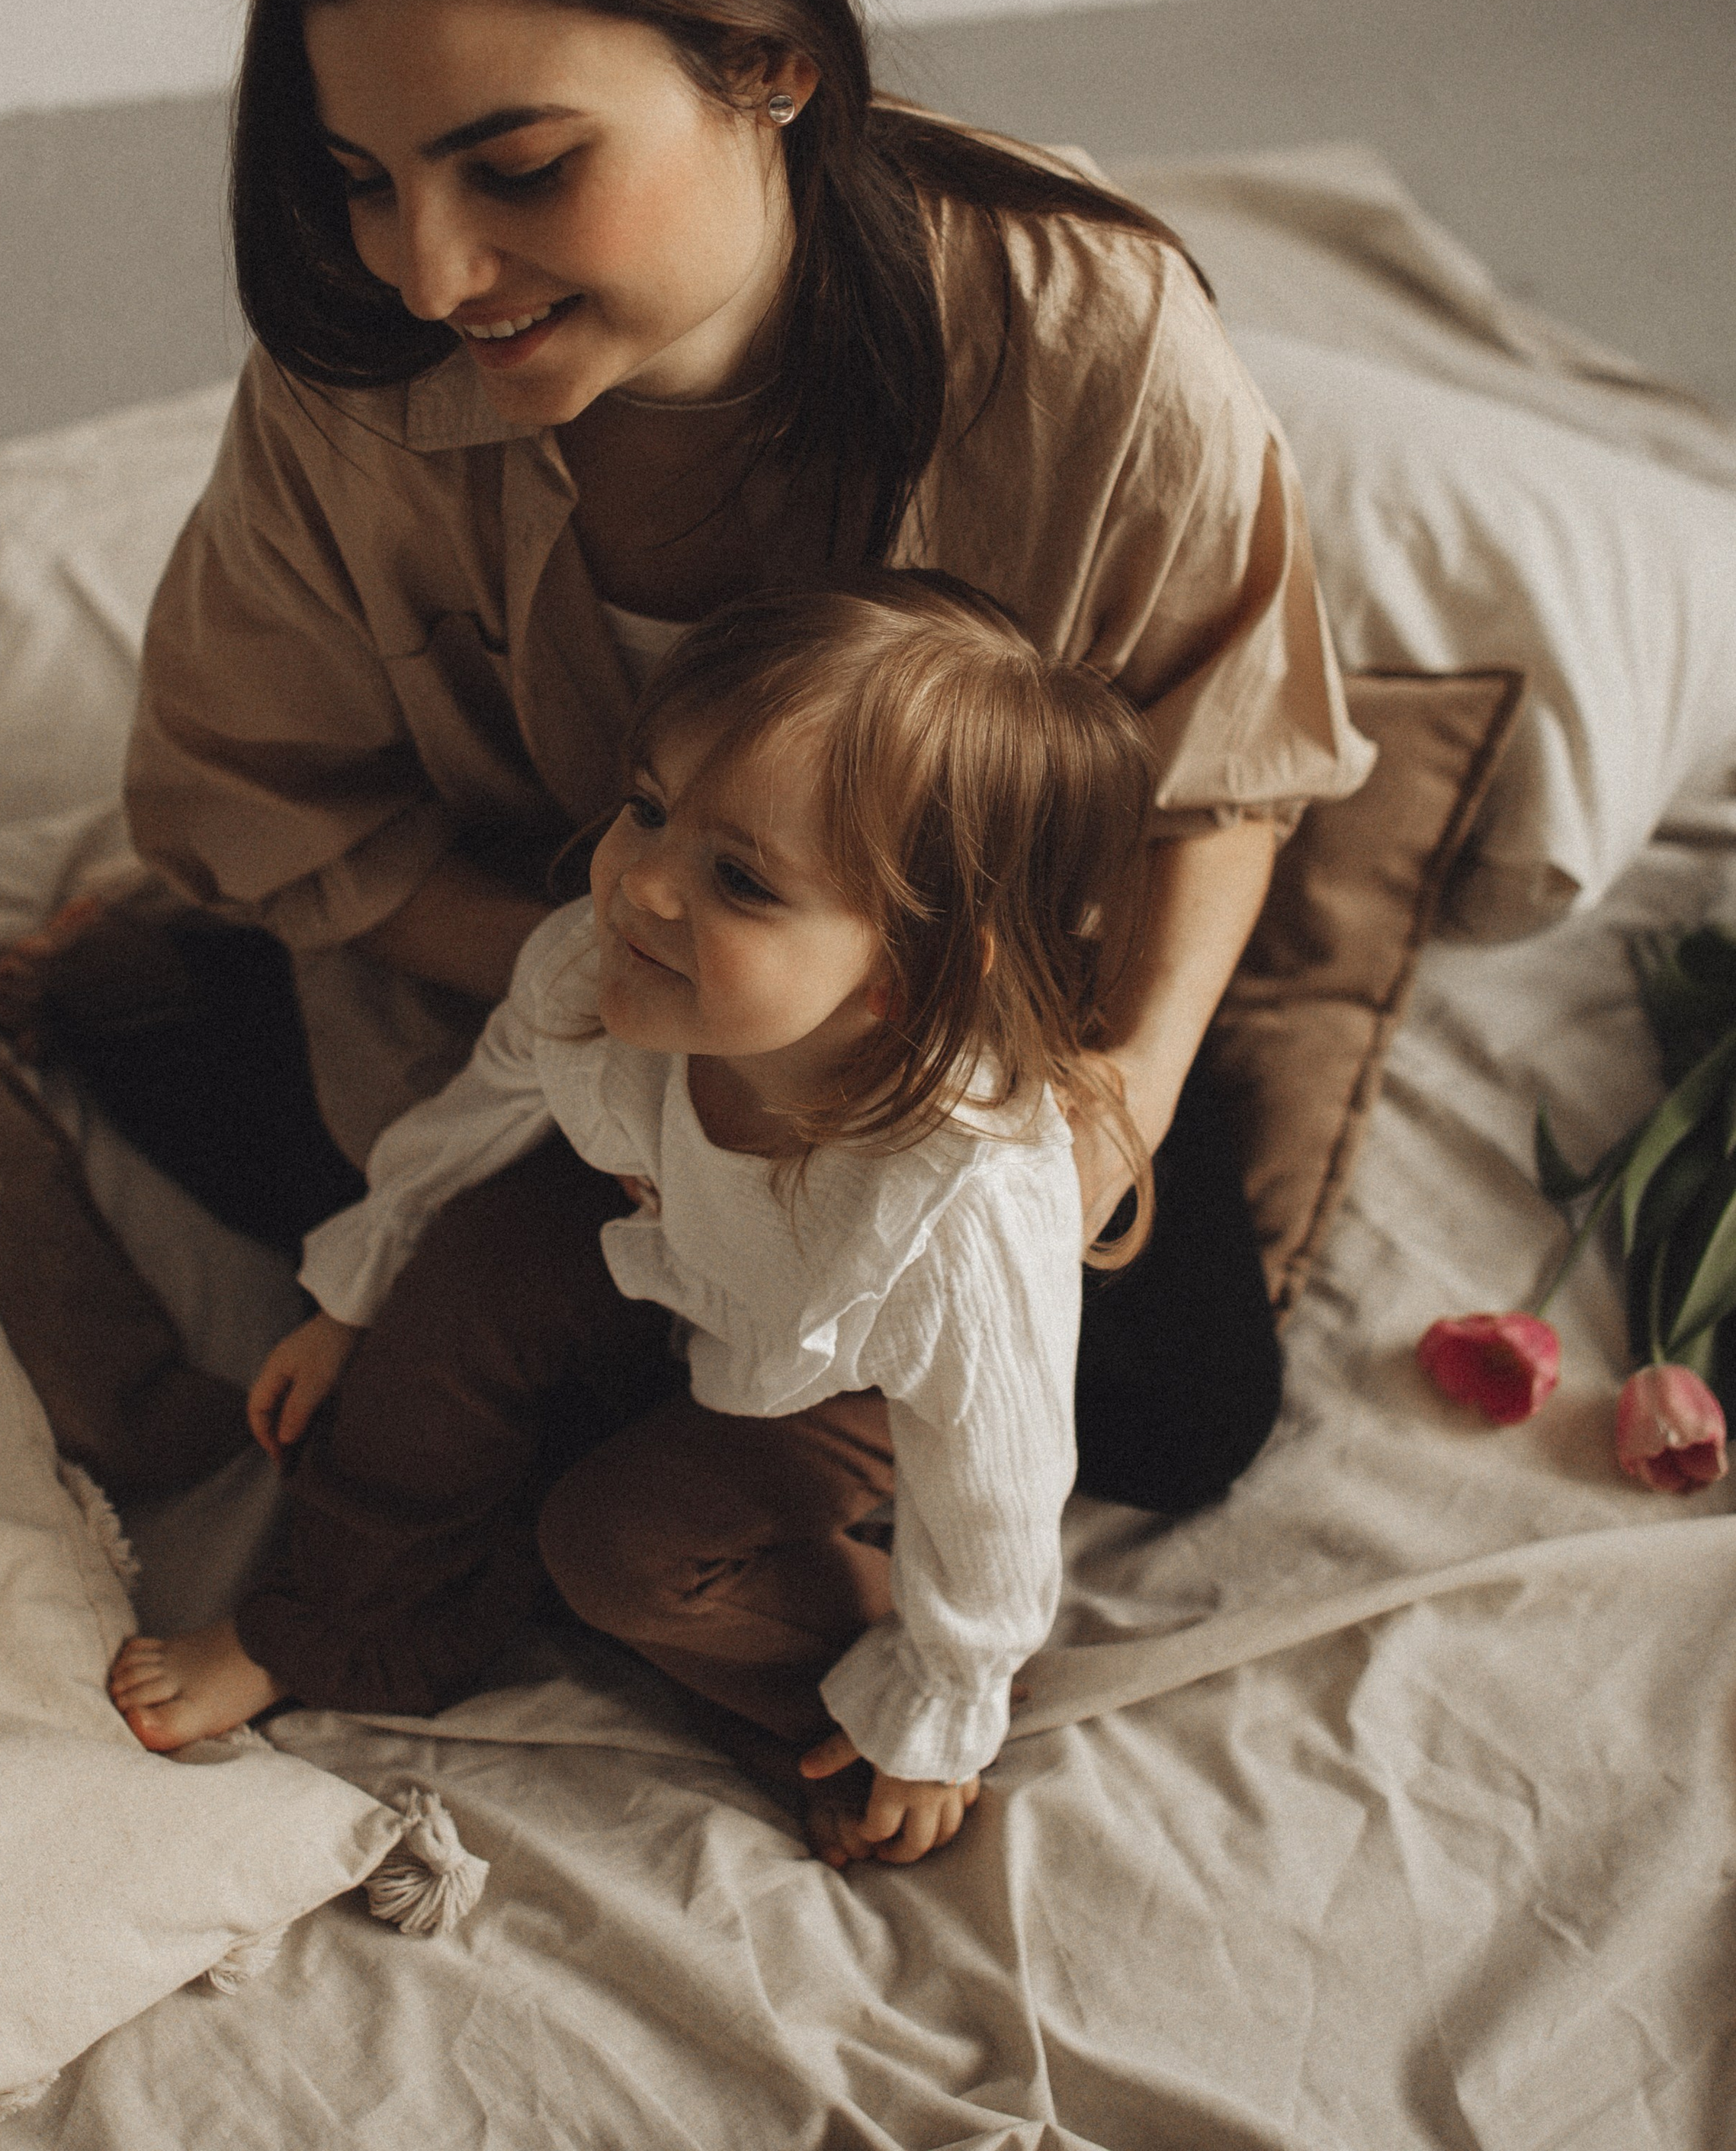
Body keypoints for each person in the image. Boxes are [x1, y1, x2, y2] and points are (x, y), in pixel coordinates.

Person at [107, 0, 1373, 1515]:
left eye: (519, 167)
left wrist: (1122, 1089)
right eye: (365, 179)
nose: (433, 275)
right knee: (268, 1156)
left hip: (933, 1046)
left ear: (765, 61)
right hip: (548, 1003)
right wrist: (629, 973)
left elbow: (1221, 766)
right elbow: (257, 803)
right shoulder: (353, 387)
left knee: (1176, 1411)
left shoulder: (1082, 337)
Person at [111, 575, 1158, 1869]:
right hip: (668, 1256)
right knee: (468, 1274)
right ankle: (331, 1624)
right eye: (649, 810)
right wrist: (355, 1292)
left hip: (835, 1382)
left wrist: (944, 1698)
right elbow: (475, 1112)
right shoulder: (599, 969)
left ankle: (834, 1711)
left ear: (901, 977)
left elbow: (994, 1474)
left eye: (740, 881)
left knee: (616, 1551)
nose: (642, 888)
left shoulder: (956, 1211)